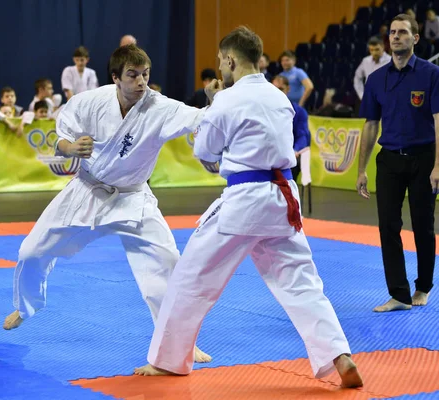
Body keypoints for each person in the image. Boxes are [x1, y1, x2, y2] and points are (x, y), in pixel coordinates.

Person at [133, 26, 363, 389]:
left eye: (219, 61)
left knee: (191, 278)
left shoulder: (226, 100)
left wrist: (211, 106)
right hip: (284, 199)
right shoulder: (279, 98)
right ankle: (339, 354)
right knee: (302, 284)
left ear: (228, 59)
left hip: (245, 200)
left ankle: (168, 361)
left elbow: (206, 153)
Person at [2, 44, 215, 363]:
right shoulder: (89, 102)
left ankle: (180, 341)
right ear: (115, 77)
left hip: (133, 196)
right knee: (31, 252)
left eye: (145, 74)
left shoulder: (159, 107)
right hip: (88, 190)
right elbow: (60, 139)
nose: (141, 82)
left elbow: (198, 117)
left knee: (168, 261)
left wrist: (216, 100)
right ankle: (26, 305)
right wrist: (72, 148)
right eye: (132, 75)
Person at [357, 13, 439, 313]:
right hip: (389, 160)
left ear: (415, 38)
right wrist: (361, 169)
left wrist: (438, 166)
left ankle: (423, 286)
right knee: (388, 226)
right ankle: (399, 294)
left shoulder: (431, 74)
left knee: (422, 226)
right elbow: (369, 125)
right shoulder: (377, 78)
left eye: (402, 32)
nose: (395, 37)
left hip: (423, 158)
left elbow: (438, 120)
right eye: (392, 32)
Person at [271, 75, 310, 180]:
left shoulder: (299, 112)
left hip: (290, 154)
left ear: (288, 89)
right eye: (274, 89)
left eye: (281, 89)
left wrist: (295, 150)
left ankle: (287, 191)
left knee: (291, 163)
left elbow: (303, 136)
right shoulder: (264, 111)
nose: (277, 92)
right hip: (269, 154)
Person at [353, 36, 391, 101]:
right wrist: (361, 95)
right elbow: (357, 78)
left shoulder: (391, 61)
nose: (374, 53)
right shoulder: (366, 61)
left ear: (383, 47)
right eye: (371, 50)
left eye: (377, 49)